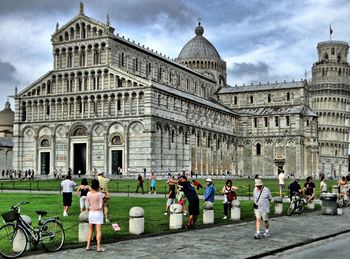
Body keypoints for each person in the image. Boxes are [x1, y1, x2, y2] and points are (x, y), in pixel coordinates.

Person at [86, 179, 106, 252]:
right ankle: (98, 247)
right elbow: (108, 196)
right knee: (98, 231)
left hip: (91, 212)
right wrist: (105, 190)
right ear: (98, 186)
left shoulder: (88, 193)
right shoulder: (100, 194)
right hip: (98, 213)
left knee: (90, 230)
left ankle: (88, 246)